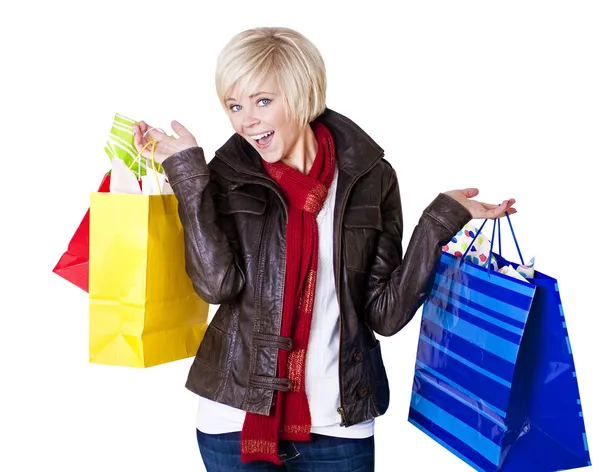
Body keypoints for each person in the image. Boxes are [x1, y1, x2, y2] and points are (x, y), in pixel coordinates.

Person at [132, 26, 516, 472]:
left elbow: (385, 316)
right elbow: (217, 285)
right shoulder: (225, 175)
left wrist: (435, 225)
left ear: (302, 93)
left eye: (262, 101)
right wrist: (187, 175)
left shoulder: (370, 177)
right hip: (235, 420)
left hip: (340, 423)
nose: (246, 120)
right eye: (234, 106)